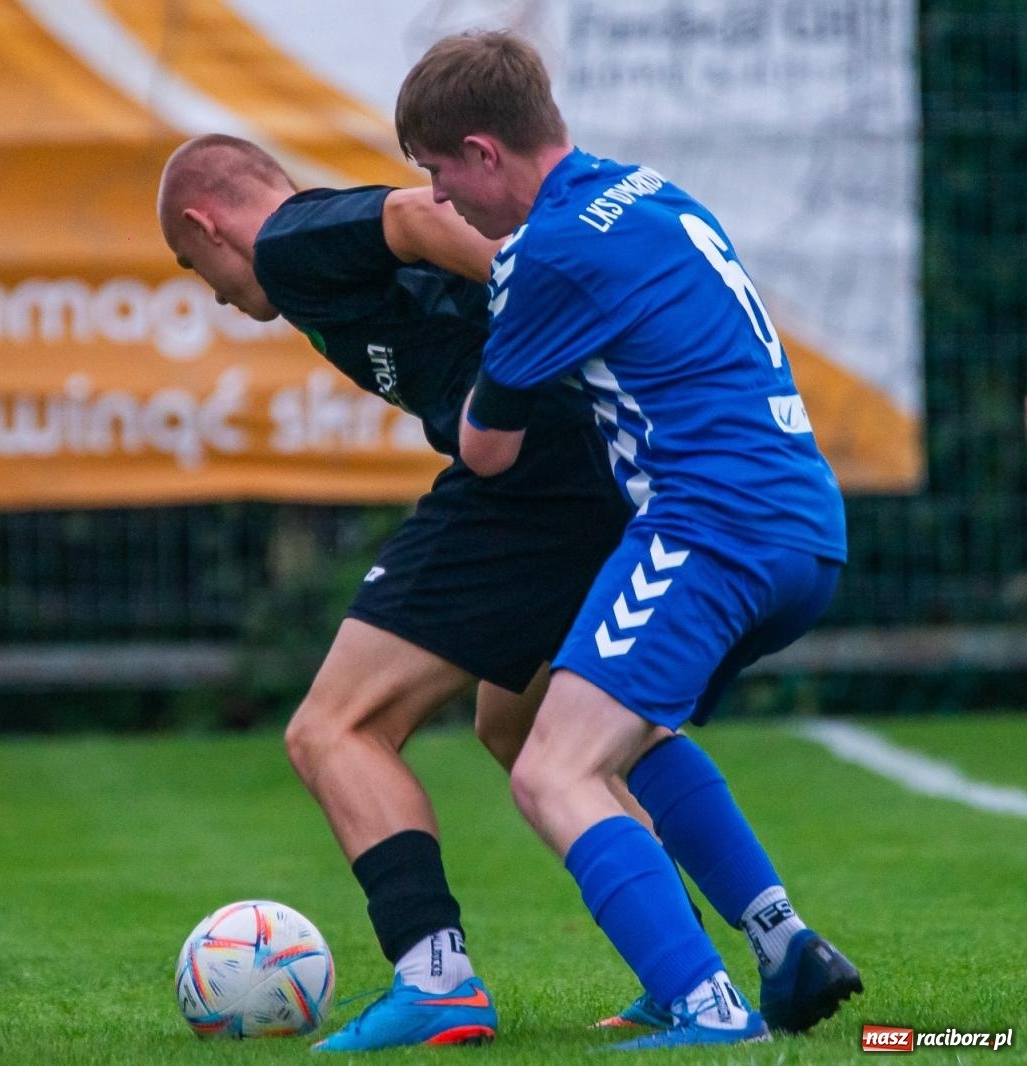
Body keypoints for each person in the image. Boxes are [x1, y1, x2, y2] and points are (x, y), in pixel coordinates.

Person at [156, 134, 829, 1051]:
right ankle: (744, 947)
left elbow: (414, 213)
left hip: (526, 478)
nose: (218, 295)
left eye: (198, 270)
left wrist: (528, 279)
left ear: (207, 223)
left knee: (333, 729)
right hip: (591, 466)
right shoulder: (315, 249)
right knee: (533, 723)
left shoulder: (287, 239)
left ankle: (436, 978)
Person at [394, 30, 864, 1049]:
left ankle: (704, 1005)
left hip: (711, 528)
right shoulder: (649, 190)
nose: (441, 204)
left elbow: (485, 448)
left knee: (551, 770)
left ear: (482, 151)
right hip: (801, 524)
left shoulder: (544, 253)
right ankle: (783, 945)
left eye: (437, 176)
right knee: (596, 727)